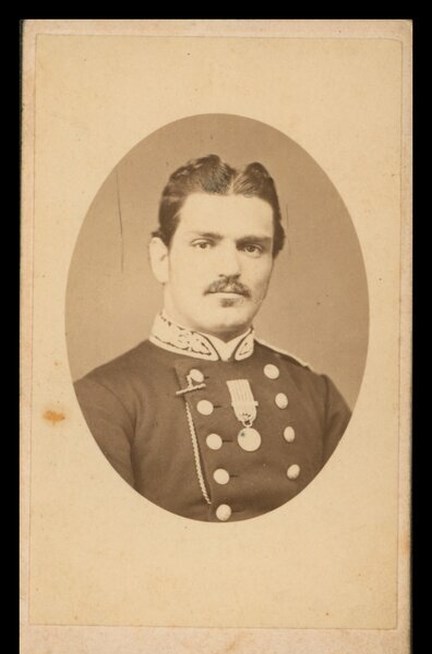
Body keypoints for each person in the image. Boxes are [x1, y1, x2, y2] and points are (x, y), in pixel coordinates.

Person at [74, 154, 351, 522]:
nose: (231, 269)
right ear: (161, 258)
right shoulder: (103, 400)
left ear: (272, 260)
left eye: (251, 247)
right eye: (204, 244)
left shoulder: (317, 395)